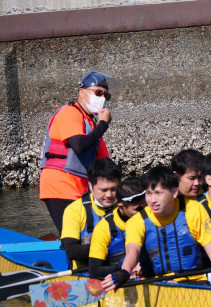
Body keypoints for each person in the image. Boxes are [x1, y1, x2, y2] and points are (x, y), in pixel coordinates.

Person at [101, 166, 211, 291]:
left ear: (174, 192)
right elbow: (132, 251)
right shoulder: (137, 221)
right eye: (148, 193)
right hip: (155, 284)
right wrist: (124, 272)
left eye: (158, 193)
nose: (152, 200)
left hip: (195, 283)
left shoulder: (194, 209)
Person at [39, 71, 113, 233]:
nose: (102, 98)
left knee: (94, 232)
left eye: (105, 96)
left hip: (81, 189)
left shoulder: (91, 125)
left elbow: (105, 162)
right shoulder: (69, 113)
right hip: (60, 186)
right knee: (74, 235)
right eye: (98, 93)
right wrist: (103, 125)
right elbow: (78, 145)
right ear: (82, 92)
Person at [60, 158, 122, 270]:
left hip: (121, 270)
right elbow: (71, 251)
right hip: (85, 272)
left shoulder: (126, 206)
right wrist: (109, 248)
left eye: (114, 189)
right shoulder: (74, 210)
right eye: (103, 190)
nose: (109, 195)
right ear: (90, 186)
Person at [88, 177, 146, 279]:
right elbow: (94, 271)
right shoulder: (103, 228)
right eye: (139, 210)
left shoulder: (152, 215)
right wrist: (125, 268)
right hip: (124, 280)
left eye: (145, 209)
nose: (144, 214)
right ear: (121, 206)